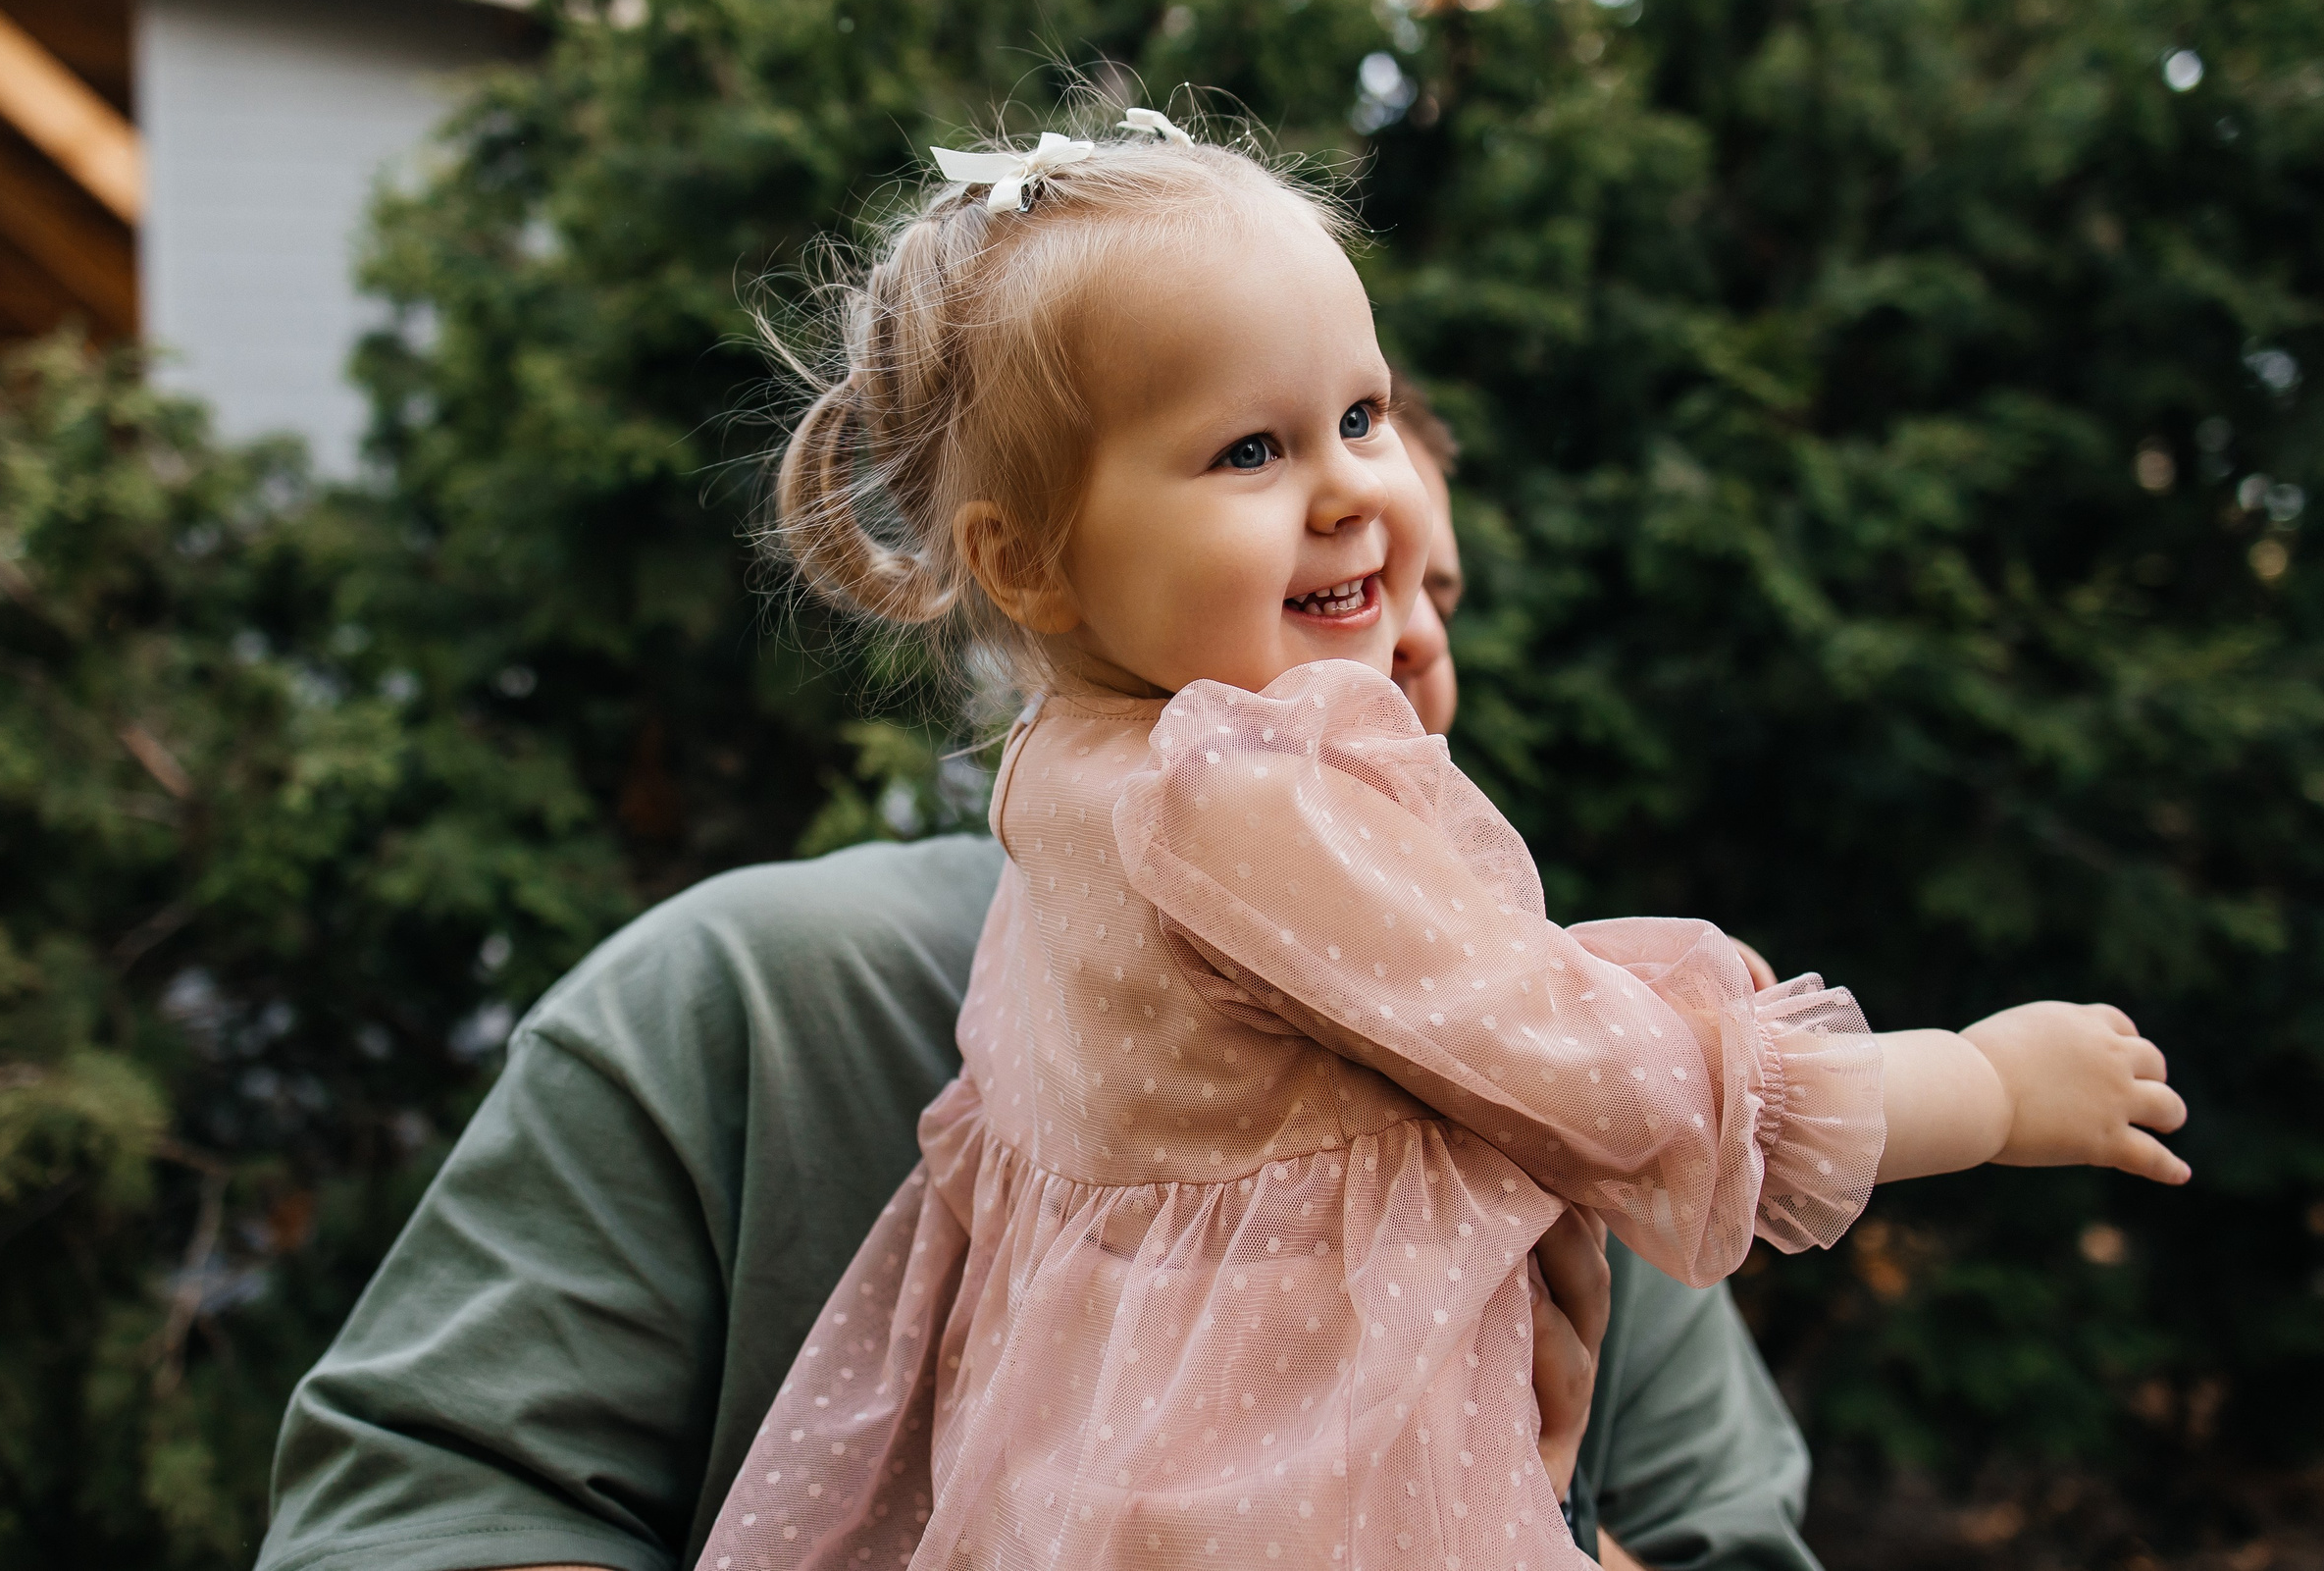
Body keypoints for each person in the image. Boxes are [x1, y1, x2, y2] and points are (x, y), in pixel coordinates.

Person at [676, 104, 2188, 1571]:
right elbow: (1623, 1077)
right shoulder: (1241, 795)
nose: (1349, 489)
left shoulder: (1058, 779)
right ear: (1033, 559)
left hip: (1092, 1486)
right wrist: (1982, 1087)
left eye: (1358, 414)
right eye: (1249, 453)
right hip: (1308, 1503)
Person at [257, 389, 1814, 1571]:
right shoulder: (743, 1011)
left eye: (1434, 598)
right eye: (1329, 595)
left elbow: (1728, 1538)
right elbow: (422, 1518)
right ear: (1059, 594)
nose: (1409, 653)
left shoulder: (1583, 1093)